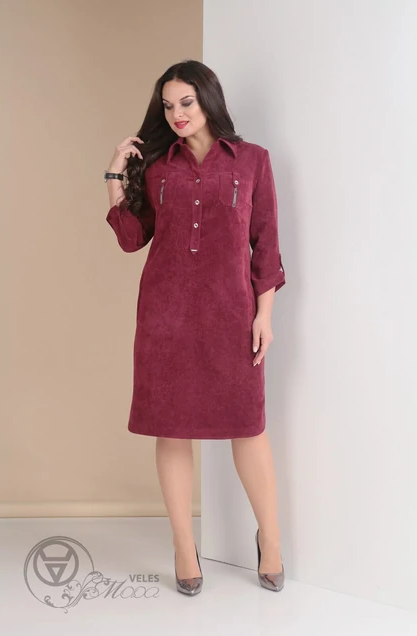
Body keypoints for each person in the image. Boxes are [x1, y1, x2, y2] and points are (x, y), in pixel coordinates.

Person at [105, 60, 286, 596]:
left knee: (248, 427)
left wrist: (264, 315)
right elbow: (131, 239)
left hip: (232, 315)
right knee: (172, 428)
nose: (176, 114)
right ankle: (185, 546)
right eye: (168, 106)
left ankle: (271, 539)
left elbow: (266, 243)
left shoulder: (252, 160)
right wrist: (115, 176)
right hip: (166, 315)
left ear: (208, 98)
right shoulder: (157, 167)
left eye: (185, 102)